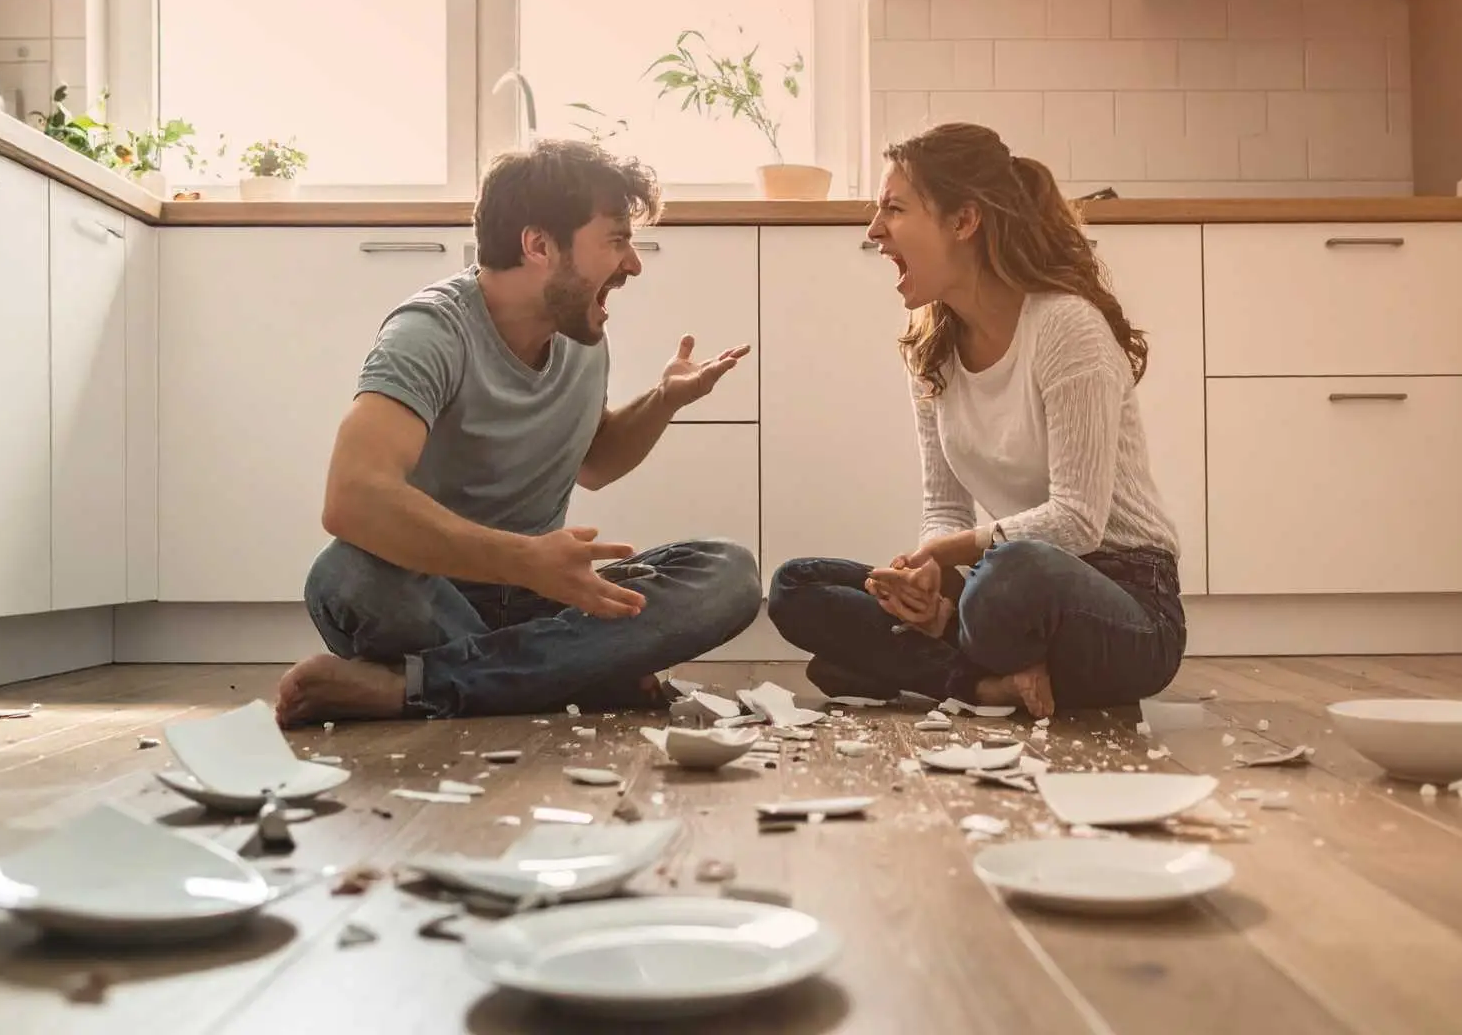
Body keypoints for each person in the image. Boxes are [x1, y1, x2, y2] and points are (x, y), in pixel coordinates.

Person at [276, 140, 763, 726]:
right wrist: (524, 561)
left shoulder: (581, 334)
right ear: (538, 245)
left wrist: (663, 401)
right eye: (615, 239)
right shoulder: (428, 333)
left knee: (728, 573)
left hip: (545, 599)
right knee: (347, 577)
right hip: (435, 593)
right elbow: (352, 497)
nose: (633, 263)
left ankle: (419, 687)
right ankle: (575, 670)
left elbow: (595, 461)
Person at [766, 122, 1185, 719]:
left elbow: (1078, 522)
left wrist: (945, 557)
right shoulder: (931, 348)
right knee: (796, 588)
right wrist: (924, 584)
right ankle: (985, 683)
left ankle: (928, 663)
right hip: (1001, 587)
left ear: (963, 222)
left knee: (1007, 576)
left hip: (1125, 603)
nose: (874, 230)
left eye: (894, 209)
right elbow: (945, 506)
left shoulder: (1066, 327)